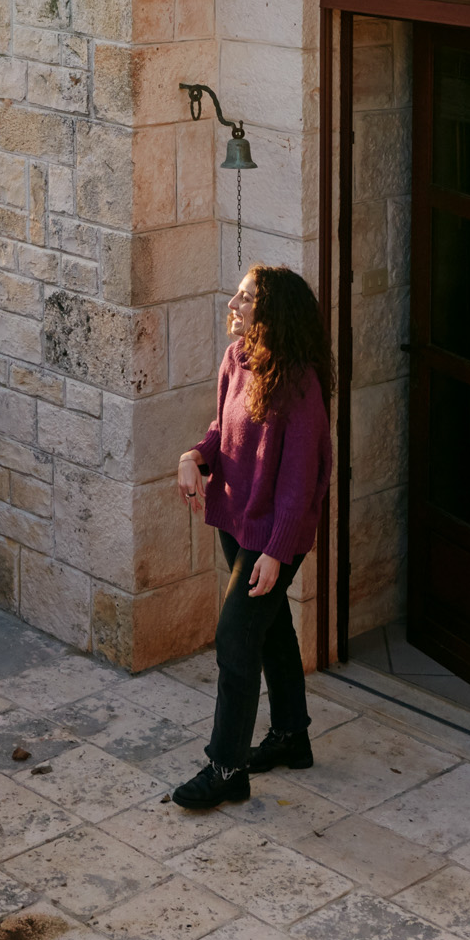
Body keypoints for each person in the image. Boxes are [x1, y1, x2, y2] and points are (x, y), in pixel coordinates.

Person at [171, 264, 331, 811]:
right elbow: (222, 430)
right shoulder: (237, 359)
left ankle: (226, 768)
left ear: (272, 310)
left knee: (236, 639)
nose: (235, 303)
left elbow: (299, 479)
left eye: (246, 296)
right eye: (238, 294)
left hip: (276, 537)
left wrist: (275, 552)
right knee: (272, 629)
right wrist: (195, 456)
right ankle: (291, 736)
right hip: (239, 522)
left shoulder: (301, 384)